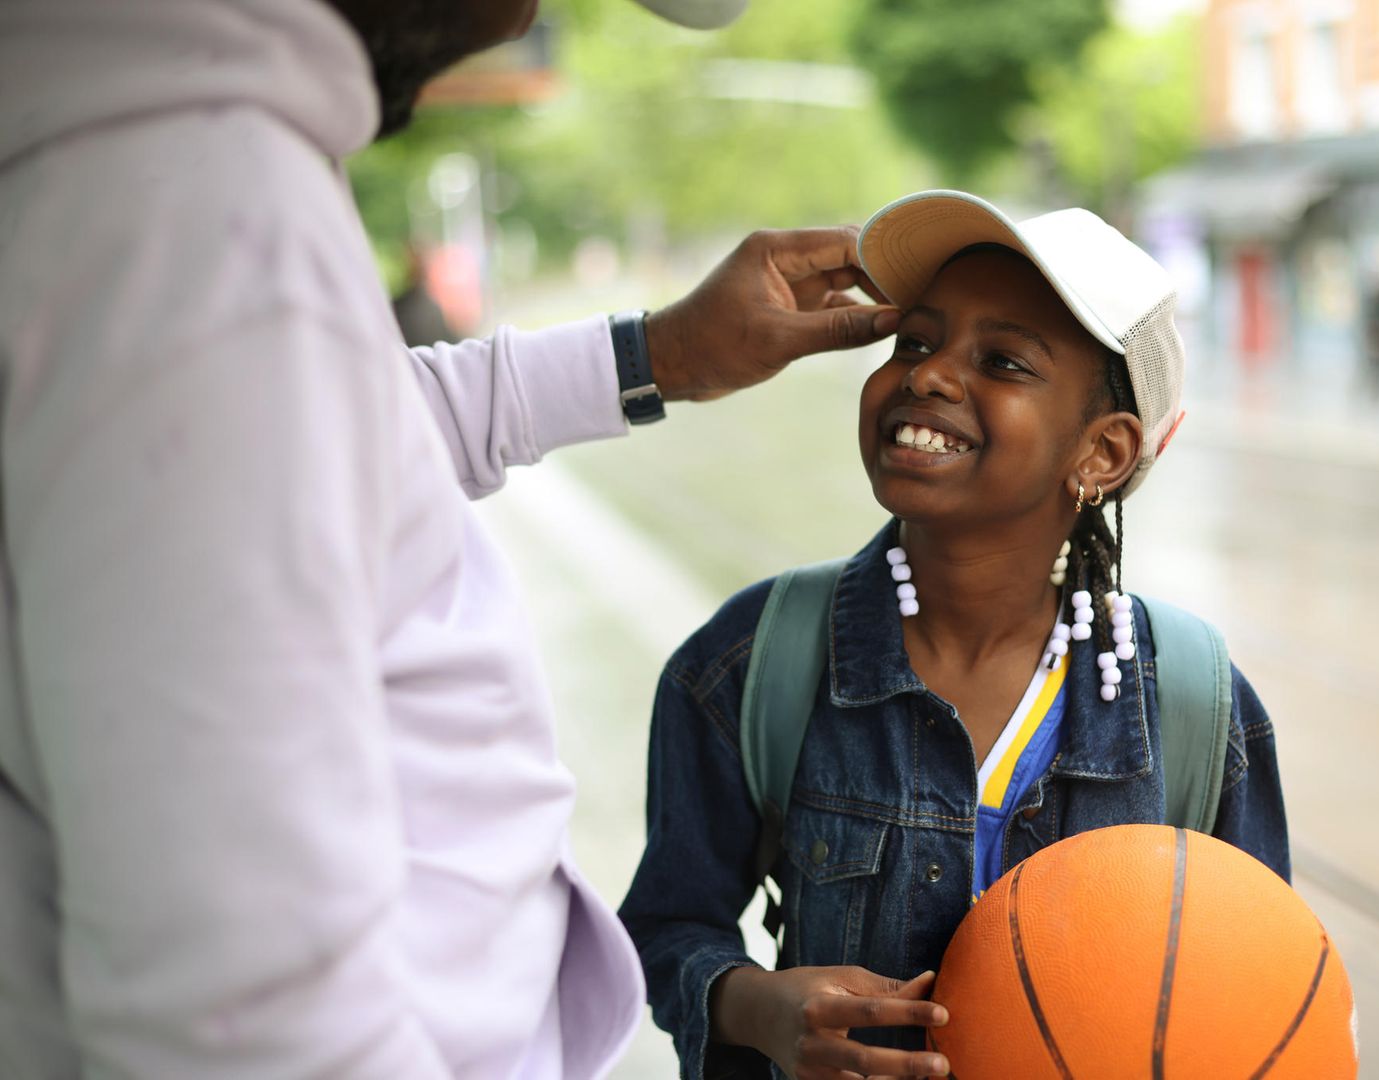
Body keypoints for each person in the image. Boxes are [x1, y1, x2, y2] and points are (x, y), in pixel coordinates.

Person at [0, 1, 904, 1077]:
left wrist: (663, 353)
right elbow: (242, 1029)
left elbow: (339, 428)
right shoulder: (199, 219)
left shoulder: (177, 184)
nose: (528, 14)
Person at [618, 190, 1290, 1079]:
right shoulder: (752, 662)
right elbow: (666, 929)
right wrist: (752, 1006)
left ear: (1103, 453)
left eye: (1004, 361)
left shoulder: (1196, 707)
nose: (929, 376)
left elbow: (1261, 989)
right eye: (917, 341)